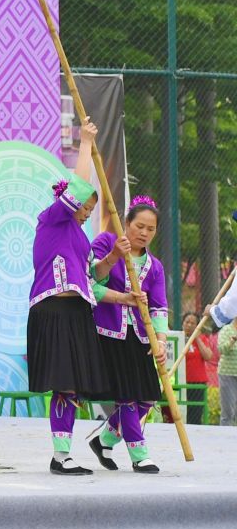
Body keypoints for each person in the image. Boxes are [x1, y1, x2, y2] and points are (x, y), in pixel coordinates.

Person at [25, 121, 111, 475]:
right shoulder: (52, 220)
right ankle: (61, 457)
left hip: (77, 313)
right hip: (53, 310)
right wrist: (87, 143)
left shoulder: (79, 238)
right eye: (84, 206)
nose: (87, 212)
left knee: (73, 385)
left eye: (92, 210)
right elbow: (79, 184)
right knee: (64, 384)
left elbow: (94, 276)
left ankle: (63, 454)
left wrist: (115, 257)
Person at [88, 196, 168, 473]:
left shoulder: (154, 266)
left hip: (141, 336)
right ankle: (139, 454)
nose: (144, 233)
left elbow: (158, 307)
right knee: (127, 396)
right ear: (126, 223)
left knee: (147, 397)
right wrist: (114, 257)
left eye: (150, 229)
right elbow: (91, 281)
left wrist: (160, 340)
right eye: (139, 226)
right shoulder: (105, 243)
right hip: (110, 333)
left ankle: (105, 439)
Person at [184, 308, 219, 426]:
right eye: (187, 322)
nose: (189, 325)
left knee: (195, 414)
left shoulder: (203, 339)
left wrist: (196, 338)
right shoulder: (178, 338)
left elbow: (208, 356)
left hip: (197, 382)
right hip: (181, 382)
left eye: (192, 323)